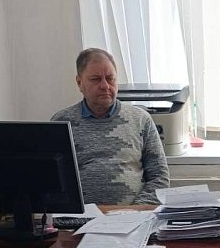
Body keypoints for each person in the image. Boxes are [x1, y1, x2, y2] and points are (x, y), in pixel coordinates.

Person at [51, 48, 169, 205]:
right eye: (95, 79)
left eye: (110, 78)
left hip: (134, 215)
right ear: (79, 83)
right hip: (81, 215)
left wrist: (136, 210)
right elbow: (52, 182)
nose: (105, 86)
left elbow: (159, 177)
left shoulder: (140, 119)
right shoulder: (62, 122)